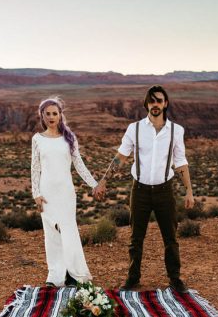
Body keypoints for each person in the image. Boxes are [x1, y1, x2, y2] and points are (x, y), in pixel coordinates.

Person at [95, 85, 194, 293]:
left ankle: (175, 279)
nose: (155, 104)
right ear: (146, 104)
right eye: (151, 101)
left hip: (164, 191)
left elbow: (180, 161)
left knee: (170, 237)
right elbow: (120, 157)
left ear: (165, 104)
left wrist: (189, 191)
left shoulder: (176, 131)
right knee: (135, 238)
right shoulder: (135, 129)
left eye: (159, 100)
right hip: (139, 190)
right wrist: (104, 180)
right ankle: (133, 278)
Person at [31, 96, 101, 287]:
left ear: (60, 115)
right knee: (51, 234)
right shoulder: (37, 139)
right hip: (46, 193)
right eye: (48, 114)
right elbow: (35, 168)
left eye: (55, 113)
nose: (52, 117)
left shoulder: (69, 139)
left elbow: (79, 164)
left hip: (66, 192)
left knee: (68, 231)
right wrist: (35, 193)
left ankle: (75, 274)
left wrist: (94, 184)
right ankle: (56, 276)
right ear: (42, 116)